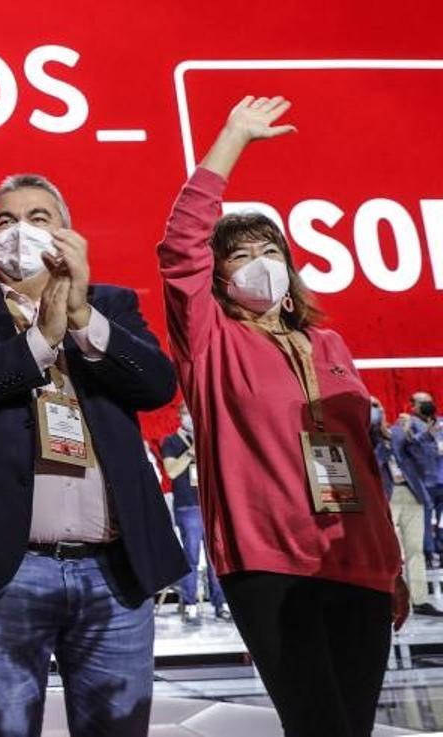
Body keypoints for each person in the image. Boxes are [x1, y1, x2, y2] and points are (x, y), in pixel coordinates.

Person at [157, 96, 406, 737]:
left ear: (292, 270)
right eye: (238, 255)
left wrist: (393, 565)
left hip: (359, 562)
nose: (258, 263)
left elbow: (365, 465)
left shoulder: (329, 345)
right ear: (217, 278)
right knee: (317, 726)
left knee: (353, 726)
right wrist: (232, 139)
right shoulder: (211, 340)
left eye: (269, 249)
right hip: (270, 562)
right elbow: (181, 244)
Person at [0, 172, 186, 736]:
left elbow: (159, 384)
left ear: (67, 234)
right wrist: (41, 340)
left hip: (113, 570)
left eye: (39, 218)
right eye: (5, 221)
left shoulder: (111, 305)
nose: (21, 231)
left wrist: (82, 318)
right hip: (9, 571)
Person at [161, 402, 228, 623]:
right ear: (180, 416)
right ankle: (190, 604)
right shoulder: (171, 442)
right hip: (188, 507)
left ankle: (221, 603)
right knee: (190, 556)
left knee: (215, 558)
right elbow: (171, 472)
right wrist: (190, 452)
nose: (191, 419)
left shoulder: (205, 439)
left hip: (210, 506)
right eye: (187, 414)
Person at [374, 398, 440, 616]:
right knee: (392, 553)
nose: (377, 411)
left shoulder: (399, 431)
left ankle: (420, 600)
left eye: (378, 406)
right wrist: (382, 444)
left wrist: (422, 435)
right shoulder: (363, 438)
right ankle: (396, 601)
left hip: (411, 494)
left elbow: (421, 457)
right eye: (372, 407)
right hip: (386, 498)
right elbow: (372, 465)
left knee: (415, 550)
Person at [402, 392, 442, 560]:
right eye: (423, 403)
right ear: (414, 406)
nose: (427, 406)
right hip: (423, 479)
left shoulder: (440, 422)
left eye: (429, 402)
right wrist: (427, 432)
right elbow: (409, 443)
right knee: (425, 519)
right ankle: (428, 552)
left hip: (441, 476)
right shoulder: (409, 423)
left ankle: (441, 548)